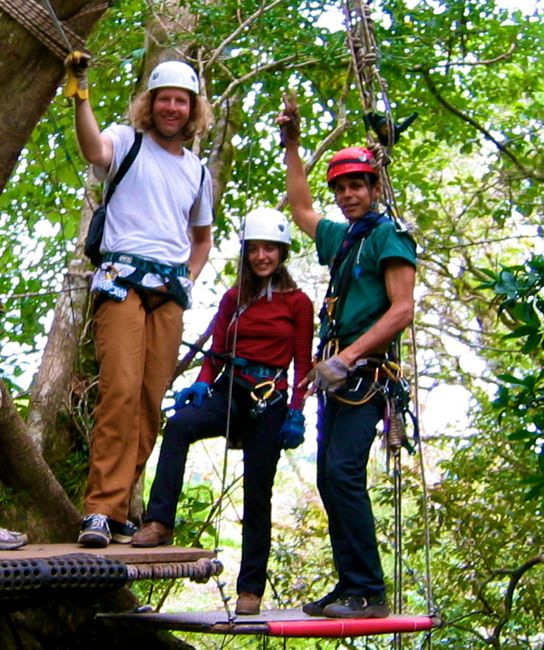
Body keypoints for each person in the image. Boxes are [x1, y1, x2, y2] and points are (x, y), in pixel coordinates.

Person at [130, 207, 314, 616]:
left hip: (269, 397)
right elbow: (216, 348)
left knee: (258, 491)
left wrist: (296, 411)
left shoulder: (298, 303)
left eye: (271, 249)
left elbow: (304, 362)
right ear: (246, 253)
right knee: (178, 428)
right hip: (229, 388)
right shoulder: (235, 298)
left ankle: (250, 588)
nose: (262, 256)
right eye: (255, 249)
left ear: (282, 253)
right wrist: (200, 383)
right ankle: (158, 522)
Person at [63, 55, 215, 547]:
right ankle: (100, 510)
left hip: (168, 292)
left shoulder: (196, 171)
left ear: (193, 110)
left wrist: (187, 279)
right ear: (150, 105)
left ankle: (121, 503)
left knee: (150, 402)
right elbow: (92, 149)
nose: (172, 108)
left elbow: (202, 239)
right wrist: (80, 91)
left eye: (181, 101)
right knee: (121, 391)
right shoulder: (127, 142)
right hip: (122, 281)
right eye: (164, 99)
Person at [277, 96, 416, 619]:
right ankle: (350, 585)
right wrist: (292, 146)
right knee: (328, 477)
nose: (347, 194)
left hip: (366, 374)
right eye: (340, 187)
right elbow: (300, 209)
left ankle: (369, 591)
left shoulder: (389, 237)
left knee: (343, 472)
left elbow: (402, 310)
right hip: (336, 374)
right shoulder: (342, 237)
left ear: (375, 189)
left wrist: (351, 355)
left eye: (356, 185)